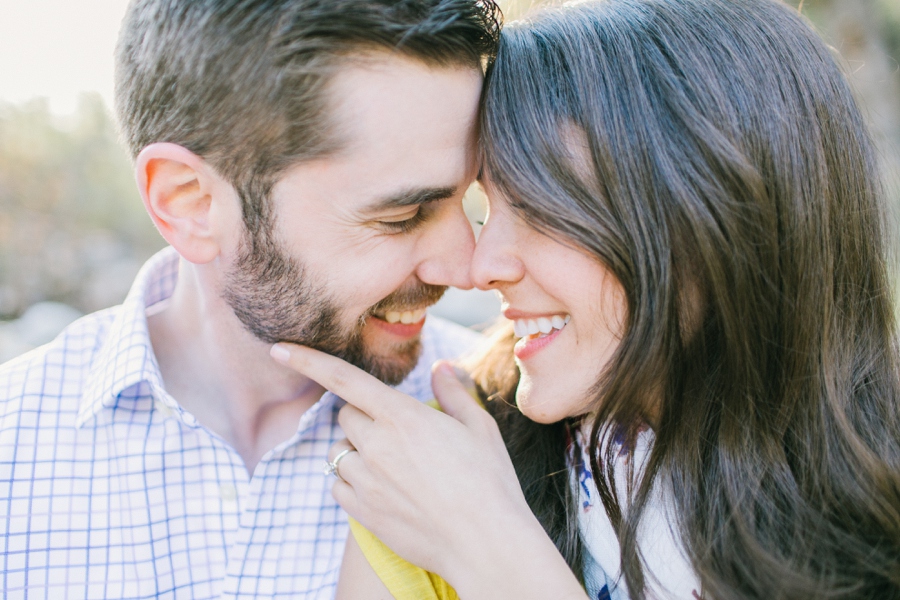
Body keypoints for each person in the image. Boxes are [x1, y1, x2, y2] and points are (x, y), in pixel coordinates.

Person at [271, 0, 900, 598]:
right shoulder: (439, 474)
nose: (480, 266)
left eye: (544, 210)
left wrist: (493, 551)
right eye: (488, 208)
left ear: (724, 223)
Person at [0, 0, 501, 596]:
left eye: (469, 200)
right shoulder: (13, 453)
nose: (470, 267)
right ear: (190, 202)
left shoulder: (499, 428)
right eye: (403, 214)